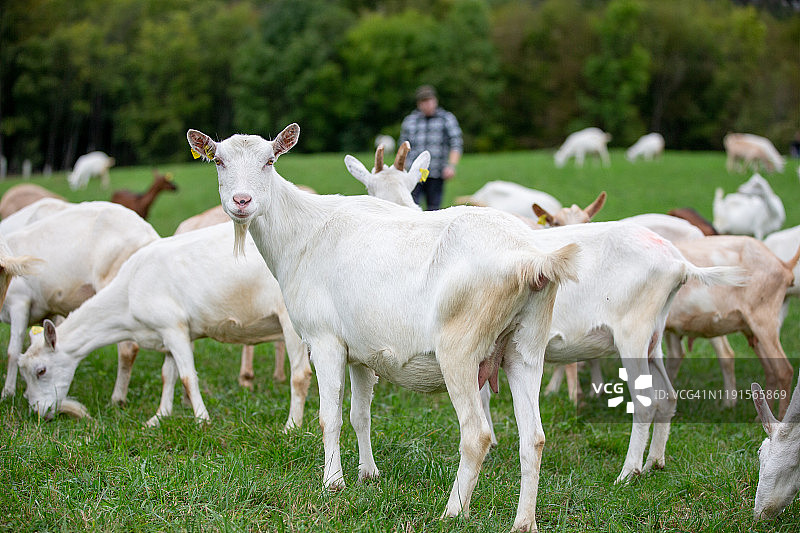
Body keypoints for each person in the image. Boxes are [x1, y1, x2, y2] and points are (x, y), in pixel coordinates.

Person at [399, 85, 463, 210]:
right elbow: (403, 146)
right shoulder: (410, 121)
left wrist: (451, 166)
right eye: (423, 101)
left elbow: (456, 143)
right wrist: (402, 167)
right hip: (414, 173)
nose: (426, 105)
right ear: (418, 104)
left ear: (435, 100)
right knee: (410, 207)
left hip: (437, 172)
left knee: (433, 209)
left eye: (429, 100)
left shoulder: (446, 119)